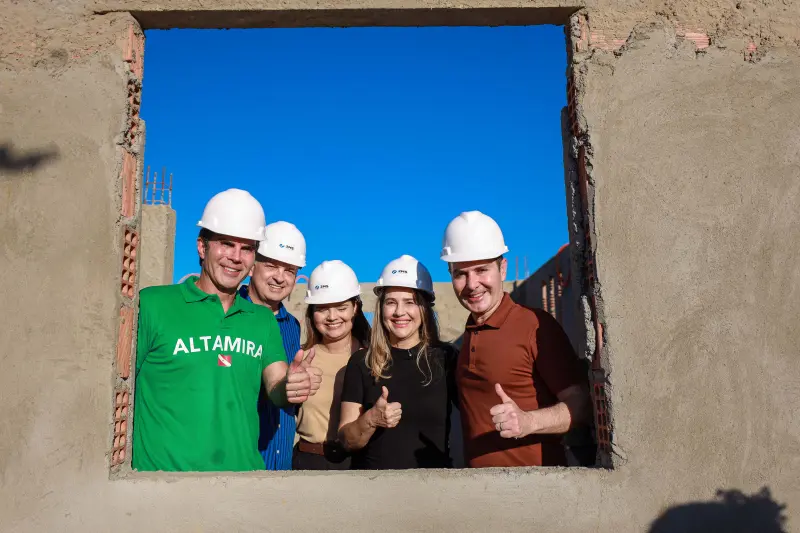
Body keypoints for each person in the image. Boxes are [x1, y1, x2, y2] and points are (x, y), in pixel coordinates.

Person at [132, 189, 321, 472]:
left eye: (246, 248)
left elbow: (276, 386)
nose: (236, 257)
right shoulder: (152, 304)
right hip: (163, 488)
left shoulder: (261, 319)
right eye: (226, 244)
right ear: (201, 246)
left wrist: (292, 385)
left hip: (241, 486)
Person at [441, 210, 591, 467]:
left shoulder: (535, 325)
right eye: (460, 273)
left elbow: (581, 406)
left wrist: (527, 422)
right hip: (480, 496)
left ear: (502, 268)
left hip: (535, 493)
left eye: (481, 270)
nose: (472, 284)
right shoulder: (468, 336)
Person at [339, 255, 458, 469]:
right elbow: (347, 441)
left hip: (434, 491)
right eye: (391, 302)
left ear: (424, 308)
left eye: (410, 302)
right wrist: (372, 419)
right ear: (381, 308)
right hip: (372, 490)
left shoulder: (446, 359)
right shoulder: (361, 363)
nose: (399, 312)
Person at [238, 221, 306, 470]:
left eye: (289, 270)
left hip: (282, 465)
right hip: (240, 464)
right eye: (271, 266)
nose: (280, 277)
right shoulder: (230, 315)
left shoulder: (292, 326)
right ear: (252, 265)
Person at [293, 260, 372, 470]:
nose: (332, 317)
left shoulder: (373, 358)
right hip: (308, 462)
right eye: (322, 309)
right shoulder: (300, 358)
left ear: (355, 307)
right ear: (312, 313)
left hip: (359, 464)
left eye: (341, 307)